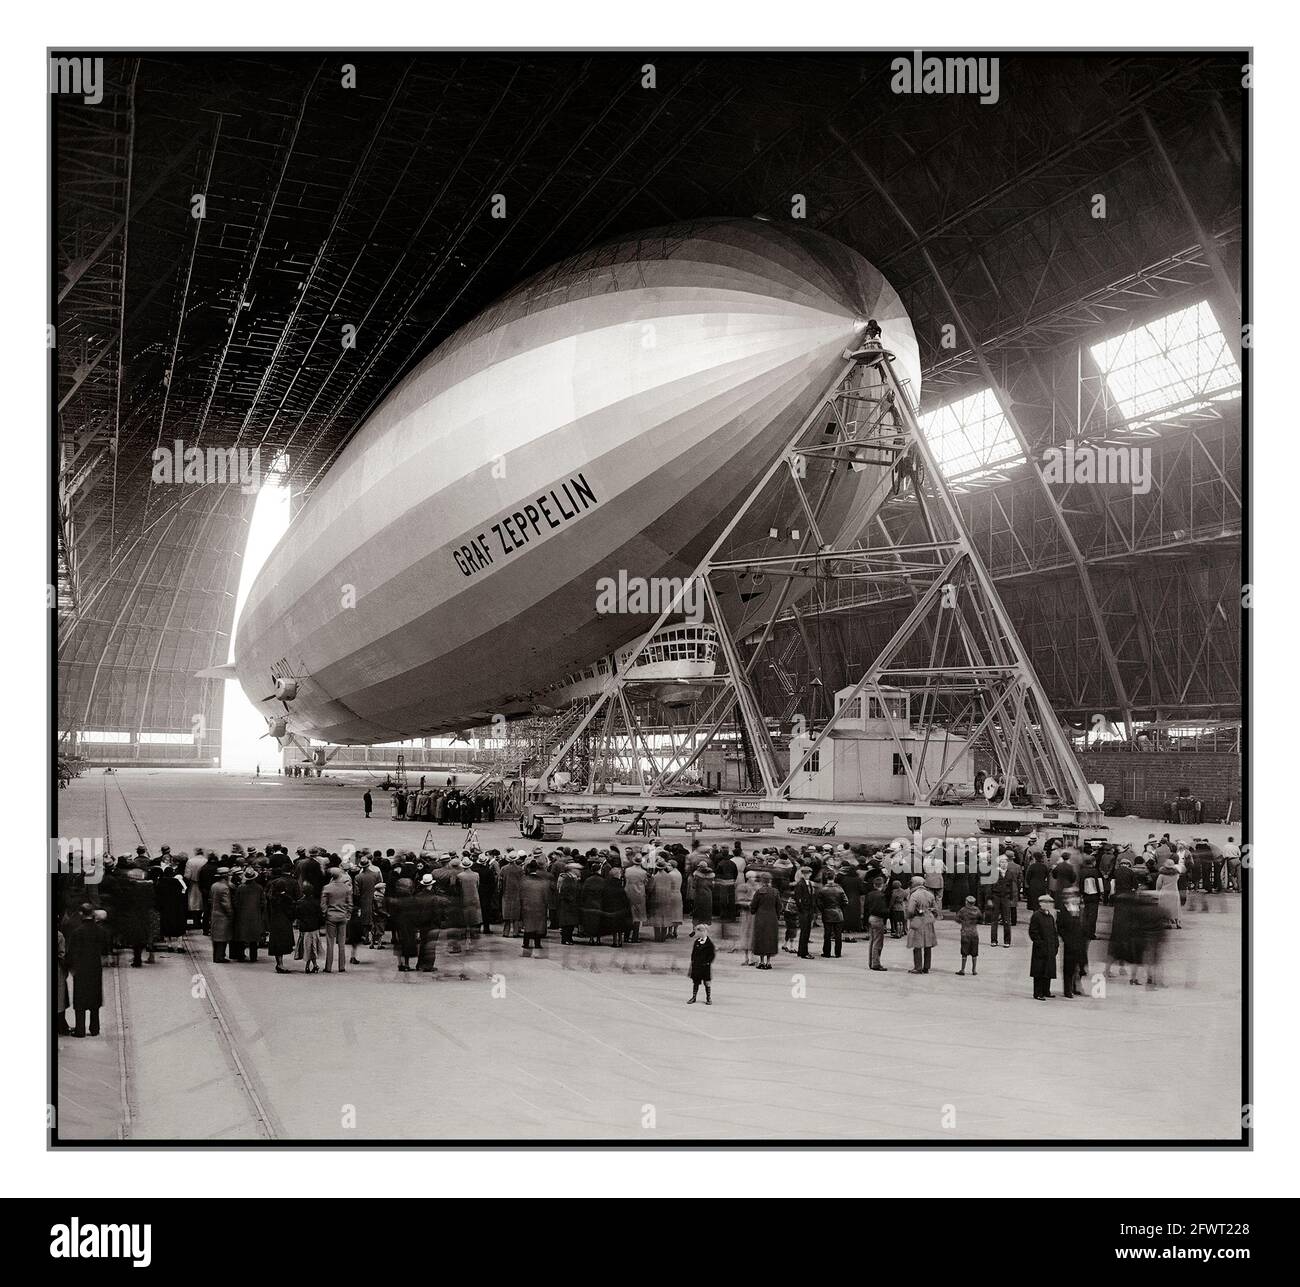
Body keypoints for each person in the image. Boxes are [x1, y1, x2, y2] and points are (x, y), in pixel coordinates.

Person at [67, 905, 108, 1038]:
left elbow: (71, 953)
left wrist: (70, 968)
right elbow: (105, 949)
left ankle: (80, 1030)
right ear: (92, 914)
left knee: (80, 1000)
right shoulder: (100, 931)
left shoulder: (77, 932)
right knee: (94, 999)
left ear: (81, 914)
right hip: (95, 969)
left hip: (80, 970)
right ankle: (94, 1028)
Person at [320, 867, 353, 972]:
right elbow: (350, 904)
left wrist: (325, 914)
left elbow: (323, 905)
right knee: (342, 943)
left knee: (330, 943)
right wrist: (348, 914)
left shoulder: (327, 888)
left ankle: (328, 966)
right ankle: (341, 966)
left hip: (331, 916)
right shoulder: (346, 888)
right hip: (342, 916)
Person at [1028, 895, 1059, 1000]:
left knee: (1048, 970)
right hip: (1040, 949)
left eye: (1050, 903)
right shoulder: (1037, 916)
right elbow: (1033, 932)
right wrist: (1040, 944)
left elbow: (1054, 932)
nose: (1049, 905)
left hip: (1050, 948)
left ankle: (1046, 990)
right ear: (1041, 904)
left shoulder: (1050, 917)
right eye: (1047, 902)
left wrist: (1056, 944)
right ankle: (1038, 992)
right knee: (1039, 971)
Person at [231, 870, 266, 963]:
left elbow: (236, 902)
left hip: (242, 915)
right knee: (254, 938)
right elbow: (263, 903)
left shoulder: (240, 888)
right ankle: (253, 956)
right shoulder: (259, 888)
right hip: (255, 915)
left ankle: (240, 955)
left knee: (242, 936)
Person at [905, 876, 937, 974]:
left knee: (917, 945)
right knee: (928, 945)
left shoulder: (914, 895)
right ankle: (926, 967)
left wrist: (909, 917)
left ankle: (918, 967)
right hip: (928, 921)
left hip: (918, 921)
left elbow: (910, 910)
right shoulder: (930, 894)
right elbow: (935, 909)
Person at [1058, 894, 1088, 998]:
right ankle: (1067, 990)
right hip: (1069, 943)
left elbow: (1084, 925)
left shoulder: (1080, 910)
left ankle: (1075, 987)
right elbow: (1060, 927)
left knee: (1079, 966)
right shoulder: (1064, 911)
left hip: (1079, 942)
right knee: (1068, 967)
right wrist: (1066, 939)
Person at [748, 872, 780, 970]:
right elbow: (779, 906)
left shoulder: (759, 892)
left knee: (761, 939)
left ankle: (761, 962)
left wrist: (753, 911)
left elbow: (753, 906)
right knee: (770, 939)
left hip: (760, 918)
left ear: (762, 881)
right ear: (770, 881)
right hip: (772, 918)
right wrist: (776, 915)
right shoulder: (775, 892)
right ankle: (769, 962)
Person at [267, 875, 297, 973]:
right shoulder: (286, 899)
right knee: (282, 943)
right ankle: (280, 964)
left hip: (275, 922)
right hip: (284, 922)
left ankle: (279, 963)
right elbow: (291, 911)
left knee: (277, 944)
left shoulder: (272, 897)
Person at [293, 883, 324, 974]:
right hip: (314, 927)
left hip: (304, 928)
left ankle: (309, 966)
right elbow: (320, 915)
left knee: (307, 947)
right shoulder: (316, 902)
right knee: (312, 947)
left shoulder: (300, 903)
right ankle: (313, 965)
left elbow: (297, 915)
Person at [519, 860, 549, 952]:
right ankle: (537, 943)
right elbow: (546, 896)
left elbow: (520, 894)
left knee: (528, 925)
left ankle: (526, 942)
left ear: (528, 868)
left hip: (527, 906)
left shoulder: (524, 880)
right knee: (538, 925)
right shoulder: (543, 882)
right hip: (539, 906)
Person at [817, 875, 847, 958]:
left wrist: (824, 910)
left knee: (827, 935)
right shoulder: (839, 889)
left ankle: (827, 952)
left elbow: (819, 903)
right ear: (834, 879)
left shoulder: (822, 890)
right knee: (838, 935)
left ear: (826, 879)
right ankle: (838, 953)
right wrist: (839, 908)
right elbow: (845, 901)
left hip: (827, 913)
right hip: (838, 913)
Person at [209, 867, 234, 963]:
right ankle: (220, 957)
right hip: (222, 915)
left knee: (216, 938)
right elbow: (226, 903)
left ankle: (216, 956)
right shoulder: (224, 887)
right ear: (225, 876)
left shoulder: (214, 885)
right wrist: (230, 913)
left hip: (215, 913)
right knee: (222, 937)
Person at [792, 867, 817, 959]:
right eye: (805, 873)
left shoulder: (809, 884)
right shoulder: (800, 884)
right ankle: (804, 952)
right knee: (805, 932)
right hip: (804, 911)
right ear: (802, 874)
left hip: (809, 910)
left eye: (808, 873)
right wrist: (802, 909)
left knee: (806, 931)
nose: (807, 875)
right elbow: (798, 899)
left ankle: (801, 951)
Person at [865, 875, 889, 971]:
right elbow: (882, 910)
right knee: (878, 942)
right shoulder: (881, 896)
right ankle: (876, 963)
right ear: (882, 885)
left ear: (874, 885)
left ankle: (871, 962)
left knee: (872, 941)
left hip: (870, 918)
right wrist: (888, 913)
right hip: (878, 918)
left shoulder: (869, 894)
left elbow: (866, 907)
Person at [687, 926, 715, 1005]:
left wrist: (708, 962)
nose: (700, 933)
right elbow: (693, 953)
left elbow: (712, 955)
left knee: (707, 982)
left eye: (702, 931)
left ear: (705, 932)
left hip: (705, 967)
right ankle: (694, 997)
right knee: (696, 982)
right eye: (699, 932)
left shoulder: (709, 943)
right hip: (697, 966)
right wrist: (693, 961)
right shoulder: (696, 942)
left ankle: (708, 997)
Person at [955, 895, 981, 976]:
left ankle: (962, 970)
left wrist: (962, 921)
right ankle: (974, 970)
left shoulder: (963, 910)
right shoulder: (977, 910)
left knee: (964, 952)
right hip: (974, 933)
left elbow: (957, 919)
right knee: (974, 953)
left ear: (966, 902)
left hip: (965, 933)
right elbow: (981, 918)